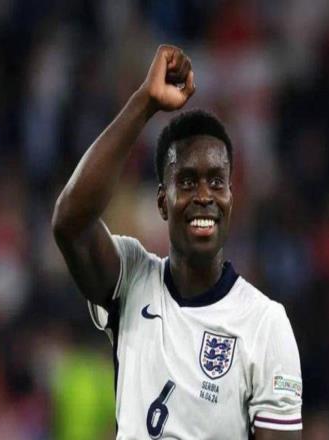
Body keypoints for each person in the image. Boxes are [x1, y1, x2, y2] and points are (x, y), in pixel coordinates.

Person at [52, 44, 303, 440]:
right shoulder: (132, 278)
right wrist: (144, 102)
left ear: (231, 198)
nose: (204, 195)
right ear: (162, 202)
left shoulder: (265, 325)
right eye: (187, 181)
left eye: (216, 181)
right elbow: (70, 223)